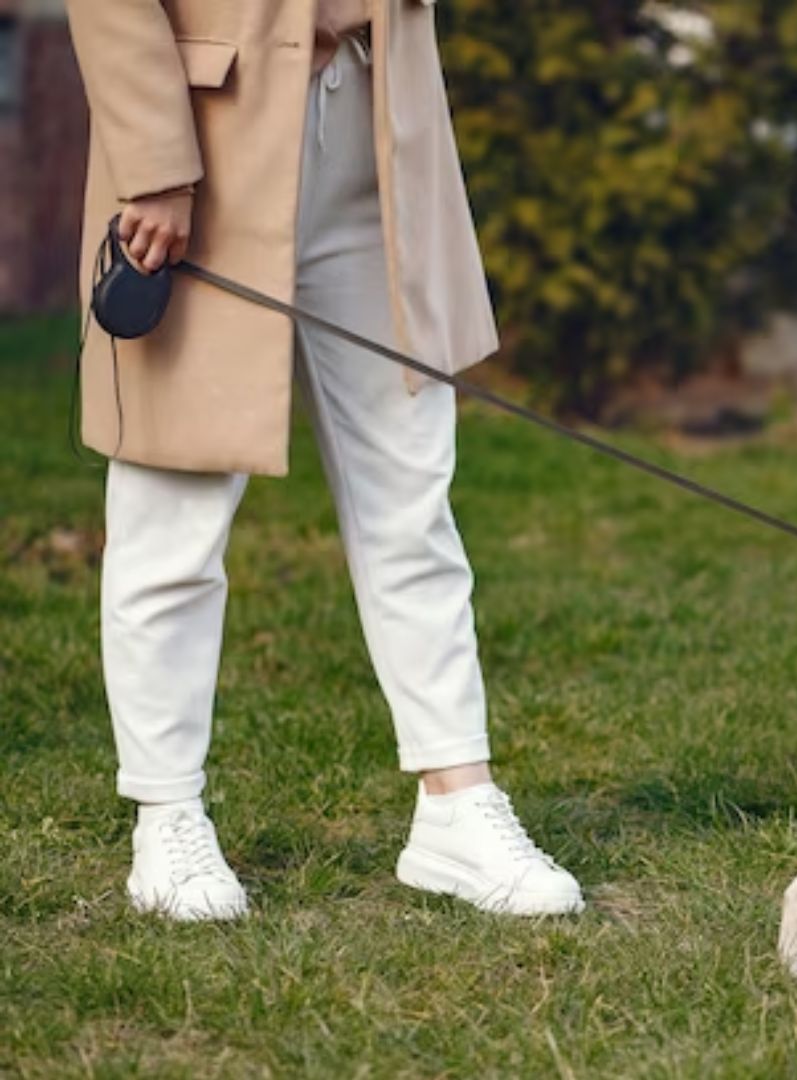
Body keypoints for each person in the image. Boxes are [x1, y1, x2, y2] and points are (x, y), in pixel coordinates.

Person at [68, 0, 582, 920]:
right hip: (205, 152)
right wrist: (152, 163)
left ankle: (456, 803)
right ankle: (166, 815)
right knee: (172, 508)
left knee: (412, 498)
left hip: (381, 140)